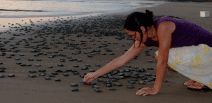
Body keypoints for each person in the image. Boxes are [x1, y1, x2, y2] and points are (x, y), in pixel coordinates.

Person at [83, 9, 212, 96]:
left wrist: (155, 89)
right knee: (163, 57)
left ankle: (205, 78)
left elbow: (163, 60)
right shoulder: (146, 37)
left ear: (143, 29)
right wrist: (95, 74)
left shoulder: (163, 26)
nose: (133, 39)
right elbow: (122, 59)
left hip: (209, 50)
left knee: (162, 56)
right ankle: (200, 78)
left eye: (133, 35)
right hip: (201, 55)